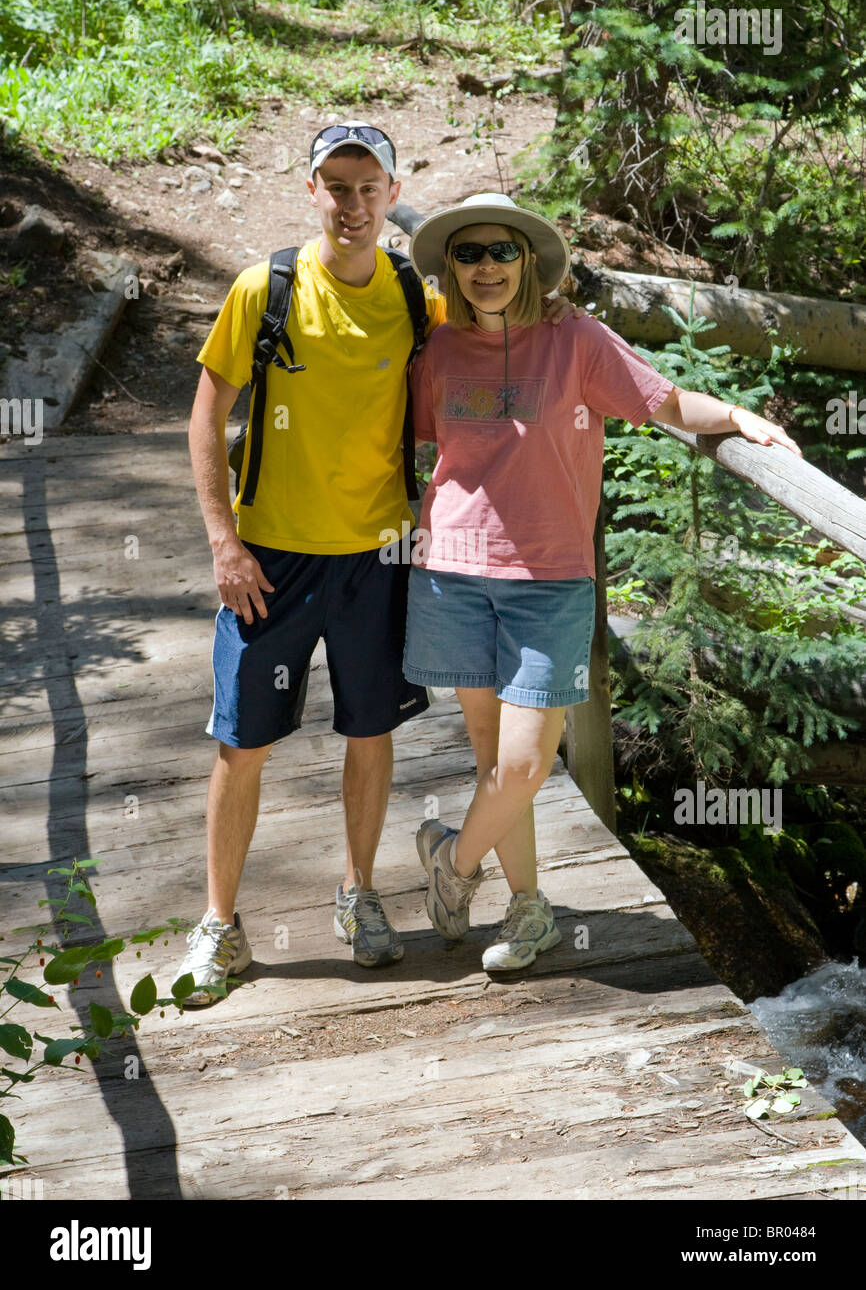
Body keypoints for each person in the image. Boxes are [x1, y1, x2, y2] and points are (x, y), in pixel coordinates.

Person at [175, 136, 579, 1004]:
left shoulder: (410, 293)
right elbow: (206, 415)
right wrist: (222, 540)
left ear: (393, 192)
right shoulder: (267, 289)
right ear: (310, 187)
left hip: (381, 555)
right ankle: (220, 926)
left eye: (369, 189)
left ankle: (359, 898)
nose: (353, 205)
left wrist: (559, 294)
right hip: (271, 560)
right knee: (241, 745)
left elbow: (495, 316)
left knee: (370, 735)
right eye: (337, 187)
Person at [404, 192, 801, 972]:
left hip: (549, 578)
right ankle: (528, 913)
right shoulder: (440, 350)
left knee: (522, 765)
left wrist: (738, 417)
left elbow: (659, 399)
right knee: (494, 759)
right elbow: (417, 442)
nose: (487, 267)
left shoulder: (575, 339)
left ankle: (451, 864)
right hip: (452, 569)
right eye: (470, 254)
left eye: (502, 252)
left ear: (529, 262)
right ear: (451, 267)